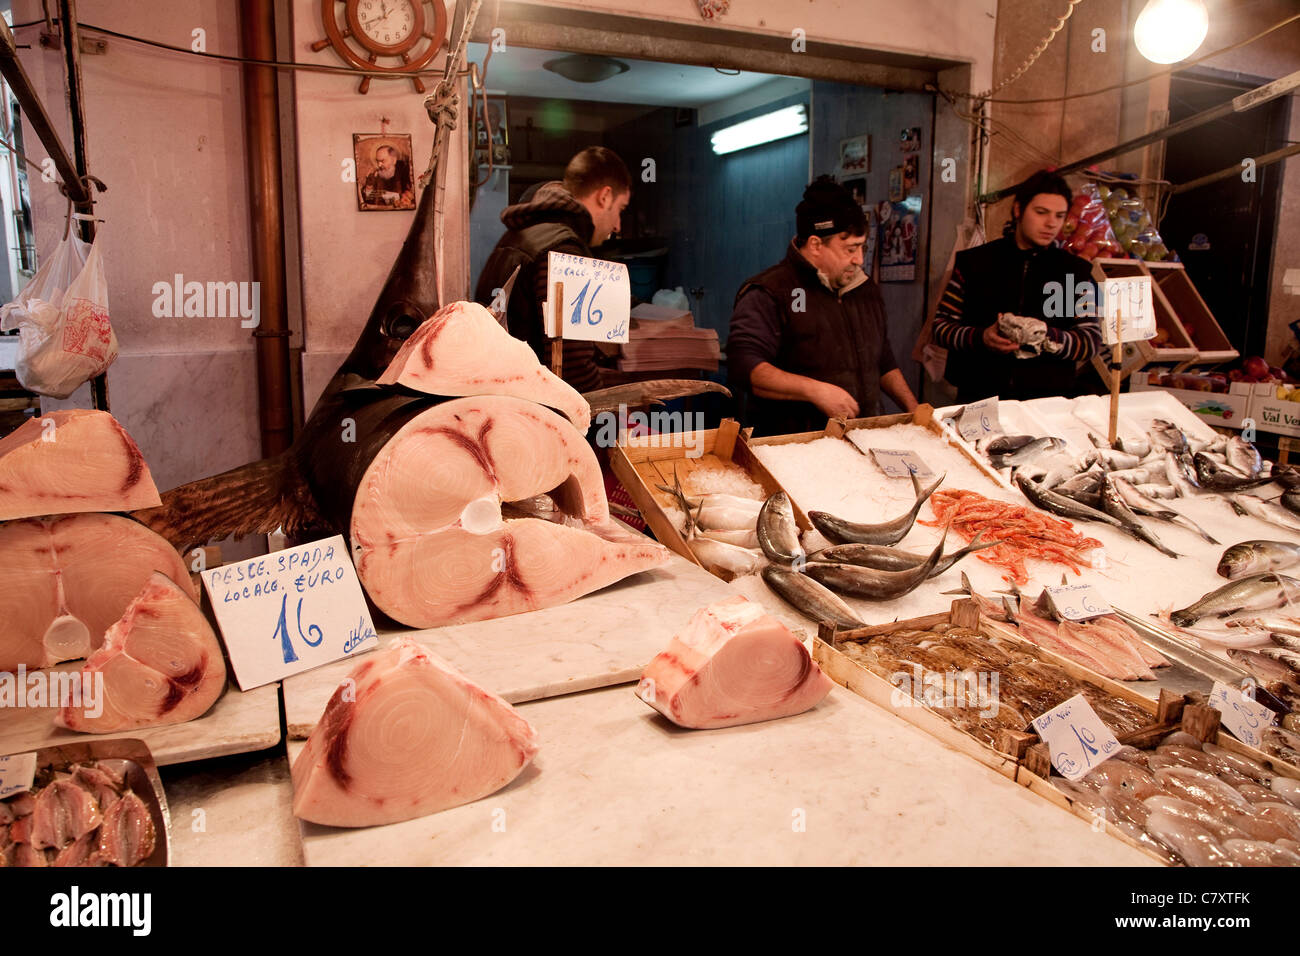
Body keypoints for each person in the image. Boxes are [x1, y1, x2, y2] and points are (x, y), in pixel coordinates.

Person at [727, 177, 918, 436]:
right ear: (816, 244)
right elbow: (745, 367)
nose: (859, 259)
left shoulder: (865, 290)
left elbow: (882, 359)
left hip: (862, 440)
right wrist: (815, 390)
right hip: (796, 447)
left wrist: (914, 408)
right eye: (850, 249)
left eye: (862, 247)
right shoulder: (770, 292)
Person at [931, 170, 1102, 402]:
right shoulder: (975, 263)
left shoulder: (1074, 273)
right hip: (979, 398)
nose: (1051, 223)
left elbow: (1090, 340)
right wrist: (981, 337)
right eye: (1041, 213)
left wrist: (1047, 338)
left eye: (1060, 216)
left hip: (1045, 404)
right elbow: (941, 328)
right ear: (1018, 210)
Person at [474, 146, 630, 393]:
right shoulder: (563, 251)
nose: (618, 225)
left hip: (499, 399)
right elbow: (572, 367)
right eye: (620, 209)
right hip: (533, 413)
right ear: (605, 196)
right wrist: (604, 423)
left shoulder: (517, 236)